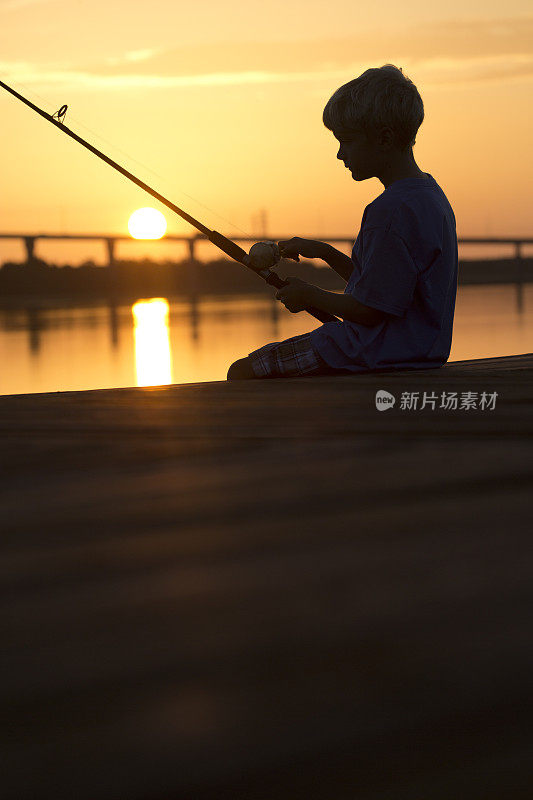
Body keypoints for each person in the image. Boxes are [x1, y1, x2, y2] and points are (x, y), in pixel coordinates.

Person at [227, 64, 458, 380]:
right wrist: (323, 252)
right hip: (419, 351)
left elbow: (371, 311)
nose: (340, 154)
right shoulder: (430, 196)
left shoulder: (387, 210)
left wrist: (309, 295)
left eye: (346, 141)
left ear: (384, 138)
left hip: (372, 351)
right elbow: (383, 288)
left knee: (241, 372)